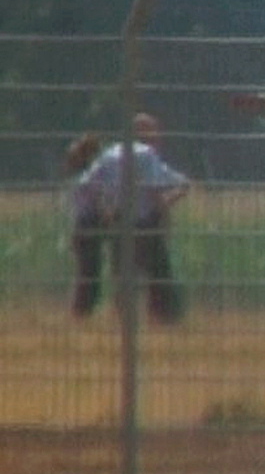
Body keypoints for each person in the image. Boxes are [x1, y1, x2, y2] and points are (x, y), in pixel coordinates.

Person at [72, 112, 190, 323]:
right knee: (159, 274)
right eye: (154, 133)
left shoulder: (110, 154)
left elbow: (87, 184)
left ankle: (122, 320)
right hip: (143, 224)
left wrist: (106, 210)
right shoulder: (146, 154)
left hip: (118, 223)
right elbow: (155, 191)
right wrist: (166, 214)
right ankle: (164, 318)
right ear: (146, 135)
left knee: (121, 275)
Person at [64, 132, 107, 319]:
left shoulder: (77, 177)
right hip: (89, 224)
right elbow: (98, 202)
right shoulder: (91, 176)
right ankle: (83, 310)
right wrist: (108, 217)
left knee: (85, 270)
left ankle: (81, 309)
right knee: (90, 271)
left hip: (80, 225)